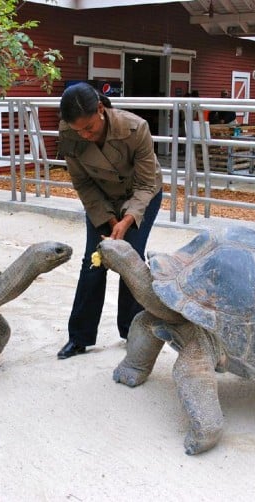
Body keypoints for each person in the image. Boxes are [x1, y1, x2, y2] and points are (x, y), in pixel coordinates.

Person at [55, 82, 163, 359]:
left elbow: (146, 184)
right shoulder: (70, 132)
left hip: (141, 195)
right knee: (94, 262)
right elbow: (83, 183)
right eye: (79, 131)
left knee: (130, 258)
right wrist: (107, 218)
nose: (85, 135)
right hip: (101, 199)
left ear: (101, 109)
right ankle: (79, 337)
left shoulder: (135, 128)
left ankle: (132, 331)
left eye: (89, 128)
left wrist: (126, 220)